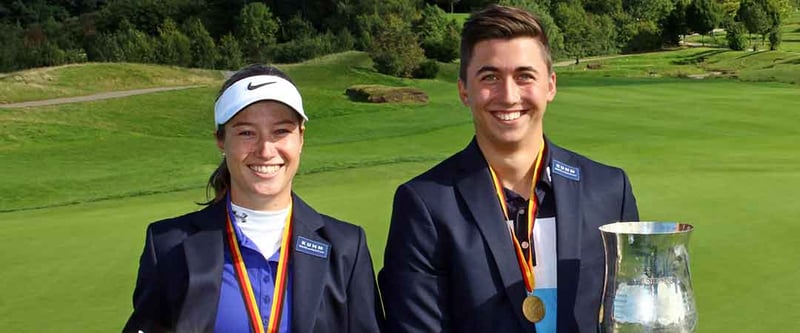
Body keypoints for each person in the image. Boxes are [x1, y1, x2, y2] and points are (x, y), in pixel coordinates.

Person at [379, 5, 638, 333]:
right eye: (490, 77)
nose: (509, 95)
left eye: (524, 76)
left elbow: (633, 314)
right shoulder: (424, 205)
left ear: (551, 85)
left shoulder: (610, 190)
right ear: (463, 90)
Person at [123, 64, 383, 333]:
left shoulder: (346, 248)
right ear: (221, 140)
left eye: (281, 131)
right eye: (246, 132)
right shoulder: (168, 246)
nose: (265, 150)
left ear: (301, 138)